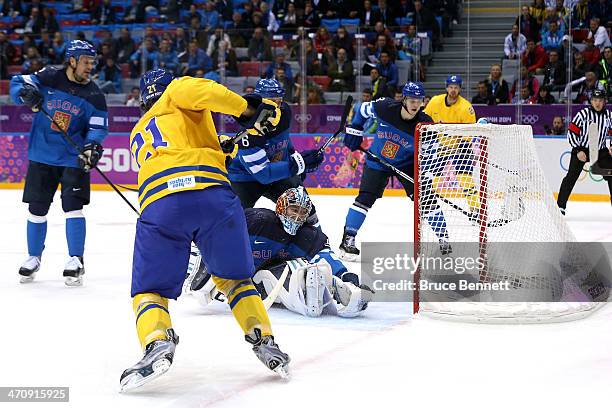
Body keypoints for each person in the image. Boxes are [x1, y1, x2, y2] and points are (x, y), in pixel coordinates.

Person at [119, 69, 290, 392]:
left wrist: (219, 148)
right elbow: (204, 91)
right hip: (214, 198)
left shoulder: (138, 130)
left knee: (149, 290)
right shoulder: (178, 89)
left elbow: (176, 149)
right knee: (236, 280)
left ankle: (156, 341)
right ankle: (264, 339)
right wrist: (247, 110)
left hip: (162, 204)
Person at [186, 188, 373, 318]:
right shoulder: (257, 220)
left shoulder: (307, 235)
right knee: (201, 288)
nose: (297, 217)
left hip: (260, 279)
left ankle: (332, 289)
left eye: (302, 213)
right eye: (293, 210)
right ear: (282, 208)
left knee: (300, 270)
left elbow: (325, 256)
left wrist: (344, 274)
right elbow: (218, 232)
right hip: (230, 267)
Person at [9, 40, 108, 286]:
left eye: (92, 62)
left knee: (73, 208)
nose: (89, 67)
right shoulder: (49, 76)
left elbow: (97, 128)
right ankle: (33, 257)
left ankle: (75, 259)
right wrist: (25, 94)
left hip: (73, 159)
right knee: (37, 209)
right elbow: (18, 83)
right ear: (72, 61)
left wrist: (92, 146)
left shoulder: (95, 94)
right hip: (42, 156)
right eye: (85, 62)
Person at [340, 82, 451, 258]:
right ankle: (348, 239)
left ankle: (444, 240)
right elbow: (361, 109)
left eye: (420, 101)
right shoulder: (385, 107)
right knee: (364, 199)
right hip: (378, 161)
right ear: (404, 99)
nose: (416, 105)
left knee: (427, 199)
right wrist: (355, 129)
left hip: (407, 163)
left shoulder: (425, 124)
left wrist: (427, 172)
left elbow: (430, 154)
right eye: (413, 100)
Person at [227, 79, 323, 225]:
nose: (276, 108)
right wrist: (298, 165)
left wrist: (293, 156)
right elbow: (263, 174)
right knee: (230, 222)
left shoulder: (284, 112)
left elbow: (283, 141)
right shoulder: (247, 132)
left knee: (306, 210)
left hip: (277, 172)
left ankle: (318, 245)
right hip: (245, 178)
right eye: (271, 102)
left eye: (278, 102)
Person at [557, 89, 612, 215]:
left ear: (604, 102)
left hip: (600, 152)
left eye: (600, 100)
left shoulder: (609, 116)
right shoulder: (583, 114)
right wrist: (577, 151)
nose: (597, 103)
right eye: (595, 100)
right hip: (582, 149)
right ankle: (560, 207)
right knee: (571, 177)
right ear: (591, 101)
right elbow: (571, 133)